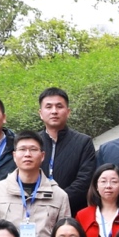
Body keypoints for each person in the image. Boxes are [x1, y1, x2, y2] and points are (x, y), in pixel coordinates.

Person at [36, 87, 97, 215]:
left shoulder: (83, 142)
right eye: (48, 107)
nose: (54, 111)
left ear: (68, 112)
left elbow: (84, 182)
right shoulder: (32, 143)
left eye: (59, 106)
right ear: (41, 113)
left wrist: (57, 202)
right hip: (36, 212)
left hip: (72, 213)